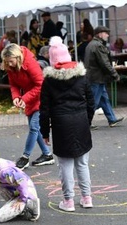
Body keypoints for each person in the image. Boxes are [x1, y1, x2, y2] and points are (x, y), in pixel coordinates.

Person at [40, 37, 95, 213]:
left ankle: (68, 200)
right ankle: (87, 197)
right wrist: (87, 120)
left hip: (60, 122)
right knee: (82, 162)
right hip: (80, 120)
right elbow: (91, 102)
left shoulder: (49, 81)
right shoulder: (81, 76)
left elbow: (44, 109)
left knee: (65, 164)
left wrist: (44, 132)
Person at [1, 43, 55, 170]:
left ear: (18, 57)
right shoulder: (11, 67)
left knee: (34, 127)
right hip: (30, 98)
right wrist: (16, 97)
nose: (9, 64)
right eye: (6, 62)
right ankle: (47, 155)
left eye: (11, 61)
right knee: (35, 128)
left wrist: (24, 98)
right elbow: (13, 85)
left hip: (41, 97)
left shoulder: (30, 63)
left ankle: (25, 157)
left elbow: (40, 85)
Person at [0, 155, 40, 222]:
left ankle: (31, 203)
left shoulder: (5, 172)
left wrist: (22, 200)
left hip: (27, 194)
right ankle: (21, 208)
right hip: (18, 192)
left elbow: (22, 183)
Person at [84, 26, 124, 128]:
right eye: (106, 33)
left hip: (94, 77)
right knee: (93, 101)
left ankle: (112, 119)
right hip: (96, 78)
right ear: (99, 34)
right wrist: (115, 74)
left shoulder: (92, 44)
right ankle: (86, 122)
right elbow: (105, 63)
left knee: (104, 99)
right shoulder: (98, 45)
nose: (107, 35)